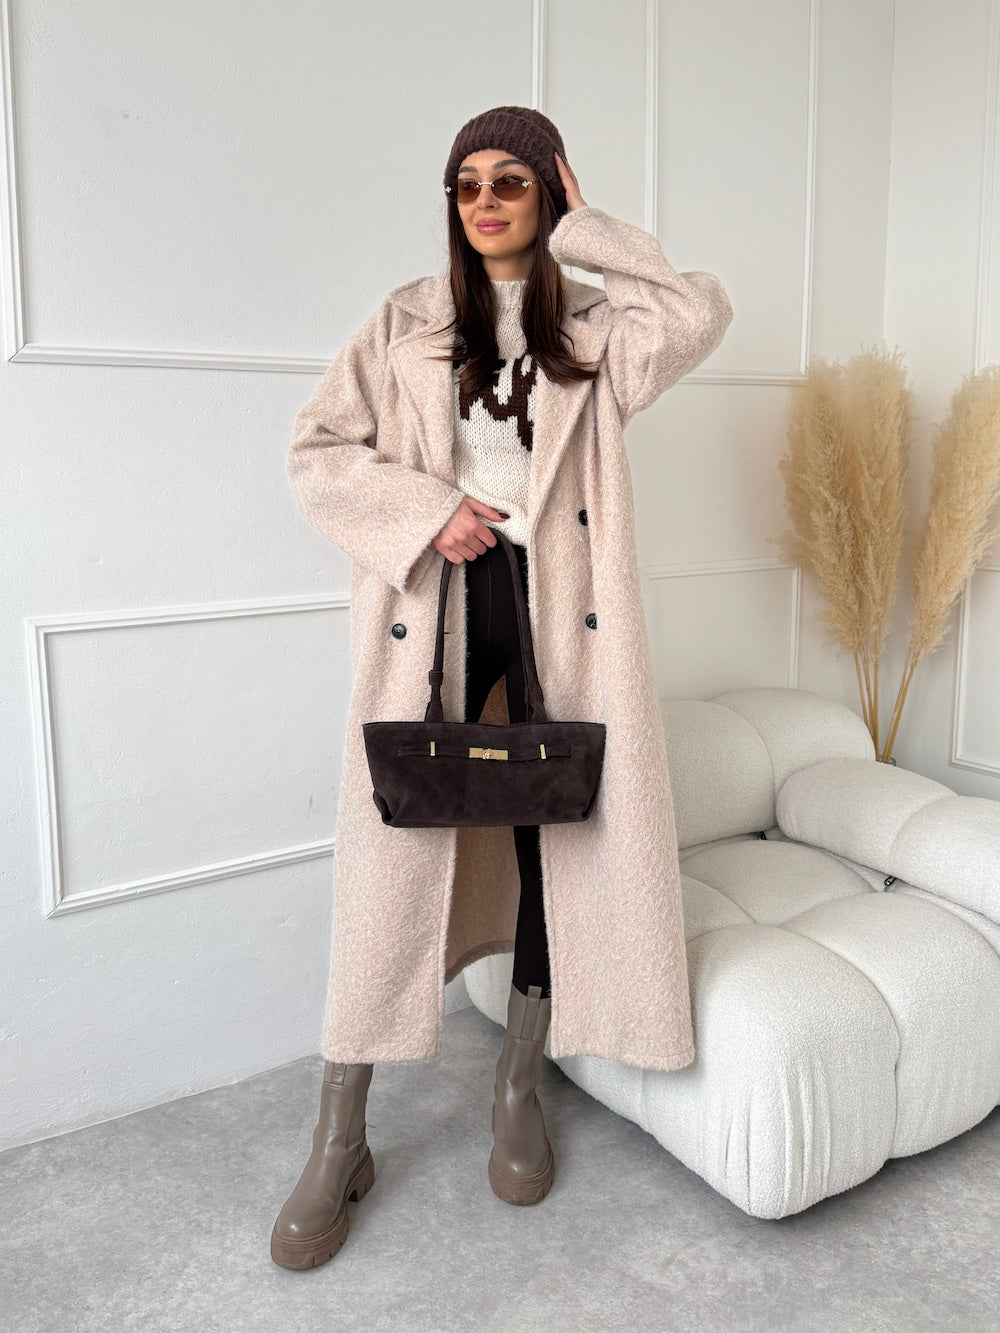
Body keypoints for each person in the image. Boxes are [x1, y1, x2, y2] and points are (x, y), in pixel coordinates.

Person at [271, 106, 732, 1270]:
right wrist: (428, 510)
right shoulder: (405, 321)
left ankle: (518, 1086)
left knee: (551, 837)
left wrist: (589, 225)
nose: (485, 200)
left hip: (560, 607)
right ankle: (339, 1134)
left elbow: (695, 311)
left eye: (512, 181)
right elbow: (317, 452)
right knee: (390, 858)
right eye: (468, 182)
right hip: (433, 599)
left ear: (548, 193)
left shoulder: (597, 330)